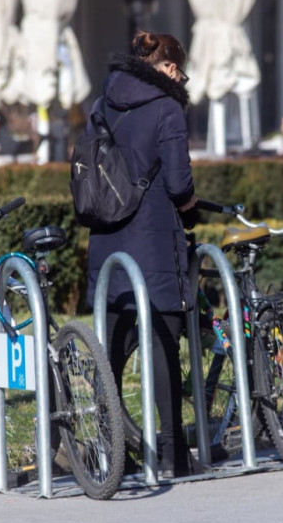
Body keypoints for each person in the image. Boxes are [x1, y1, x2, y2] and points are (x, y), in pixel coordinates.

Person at [85, 30, 199, 478]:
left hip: (106, 235)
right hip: (152, 239)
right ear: (168, 68)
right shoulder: (167, 108)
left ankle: (109, 452)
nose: (181, 81)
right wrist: (190, 209)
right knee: (162, 345)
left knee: (110, 350)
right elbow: (179, 183)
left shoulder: (102, 103)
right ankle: (173, 454)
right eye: (180, 73)